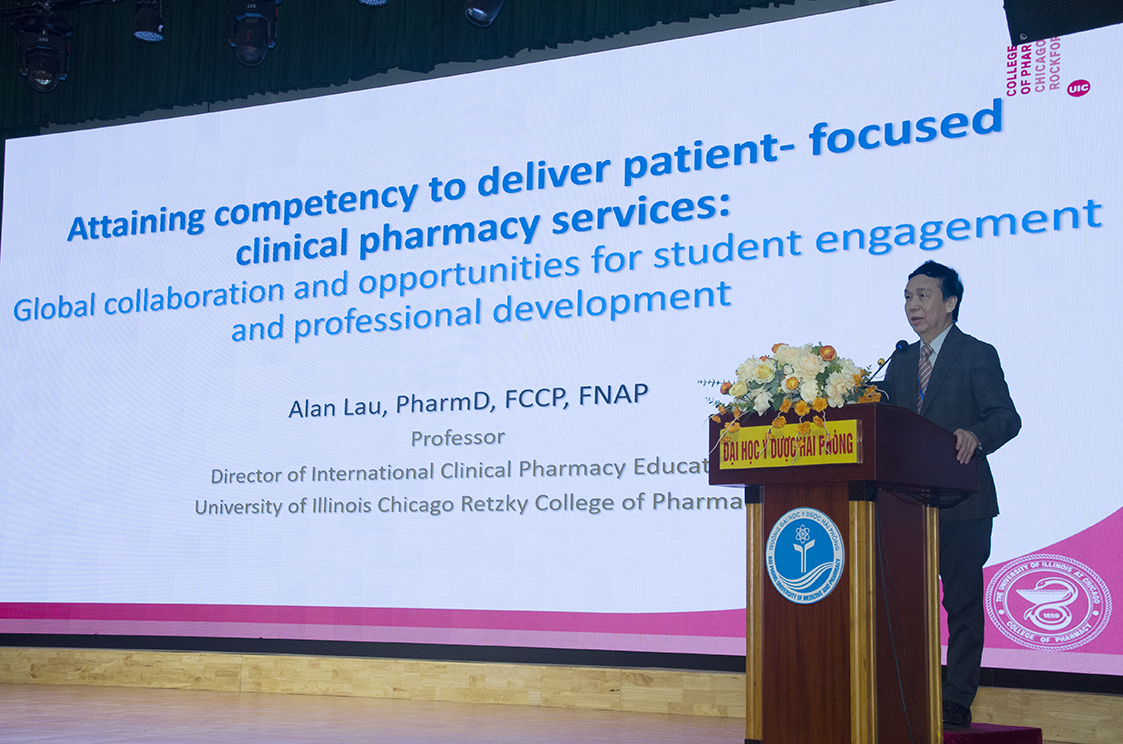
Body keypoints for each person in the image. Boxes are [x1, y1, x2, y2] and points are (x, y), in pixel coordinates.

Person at [882, 260, 1021, 730]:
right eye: (907, 296)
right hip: (906, 507)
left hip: (964, 502)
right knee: (904, 604)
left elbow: (1006, 417)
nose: (912, 305)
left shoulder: (976, 353)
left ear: (950, 302)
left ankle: (957, 696)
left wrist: (977, 435)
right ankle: (909, 690)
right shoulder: (901, 361)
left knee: (961, 604)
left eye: (923, 295)